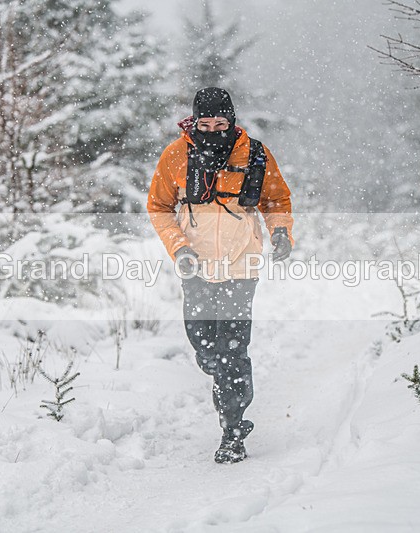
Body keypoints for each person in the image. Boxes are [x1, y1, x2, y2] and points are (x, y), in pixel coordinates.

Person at [147, 87, 294, 464]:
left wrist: (280, 231)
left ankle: (233, 427)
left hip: (241, 265)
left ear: (232, 121)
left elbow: (276, 199)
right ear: (194, 122)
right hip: (194, 265)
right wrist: (179, 247)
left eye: (221, 123)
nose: (213, 130)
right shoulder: (176, 155)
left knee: (232, 349)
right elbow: (160, 207)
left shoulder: (255, 154)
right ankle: (221, 379)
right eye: (206, 123)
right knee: (205, 347)